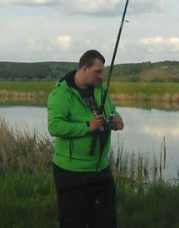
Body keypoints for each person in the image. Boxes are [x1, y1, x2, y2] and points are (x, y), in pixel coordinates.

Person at [47, 49, 124, 228]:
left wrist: (115, 119)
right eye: (97, 71)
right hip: (71, 171)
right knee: (74, 221)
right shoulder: (61, 94)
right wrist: (87, 127)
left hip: (100, 168)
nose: (101, 75)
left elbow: (111, 110)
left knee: (107, 221)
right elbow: (54, 127)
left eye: (102, 71)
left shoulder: (99, 90)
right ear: (83, 69)